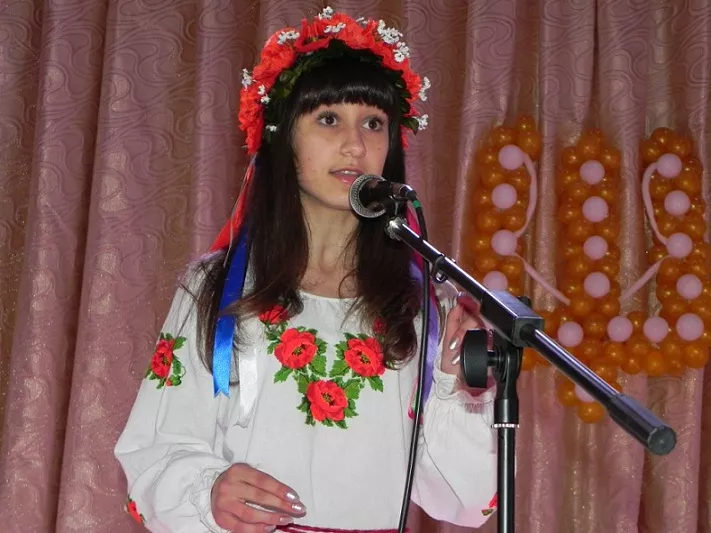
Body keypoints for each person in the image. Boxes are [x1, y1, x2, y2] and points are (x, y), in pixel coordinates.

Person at [115, 7, 497, 533]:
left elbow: (470, 502)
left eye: (373, 123)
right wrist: (210, 491)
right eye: (328, 119)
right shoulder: (218, 287)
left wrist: (458, 387)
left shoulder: (426, 305)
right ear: (282, 138)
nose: (355, 145)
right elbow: (153, 451)